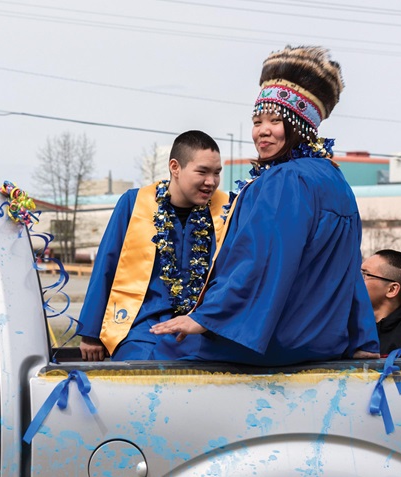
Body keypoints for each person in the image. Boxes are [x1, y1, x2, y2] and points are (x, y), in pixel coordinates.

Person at [149, 45, 379, 365]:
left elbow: (258, 257)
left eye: (276, 119)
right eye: (257, 121)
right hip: (323, 343)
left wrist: (206, 317)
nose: (262, 131)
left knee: (154, 348)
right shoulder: (336, 180)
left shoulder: (285, 180)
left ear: (301, 124)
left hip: (274, 341)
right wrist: (364, 335)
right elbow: (349, 271)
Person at [77, 130, 229, 361]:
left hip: (202, 327)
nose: (211, 182)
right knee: (138, 368)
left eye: (217, 173)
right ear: (175, 167)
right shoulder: (135, 203)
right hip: (143, 327)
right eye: (202, 172)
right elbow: (107, 263)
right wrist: (90, 332)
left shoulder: (227, 209)